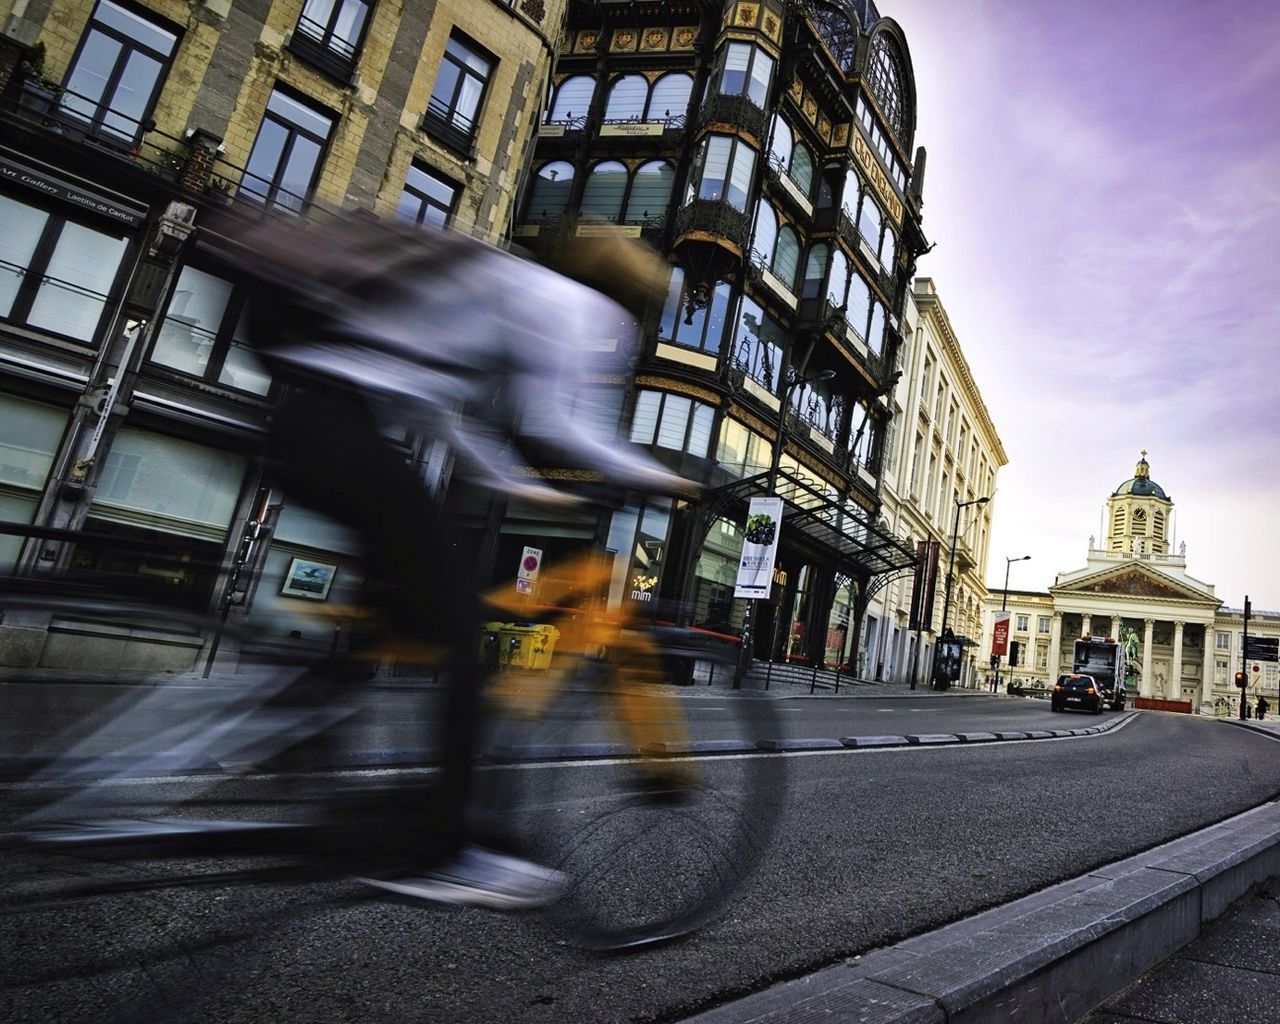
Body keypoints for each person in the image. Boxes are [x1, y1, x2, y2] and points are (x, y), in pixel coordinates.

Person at [227, 213, 685, 909]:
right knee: (466, 640)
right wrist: (663, 477)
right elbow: (558, 424)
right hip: (347, 427)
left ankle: (289, 736)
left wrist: (517, 486)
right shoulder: (573, 306)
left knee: (396, 613)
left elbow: (442, 413)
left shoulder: (504, 285)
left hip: (304, 415)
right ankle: (448, 849)